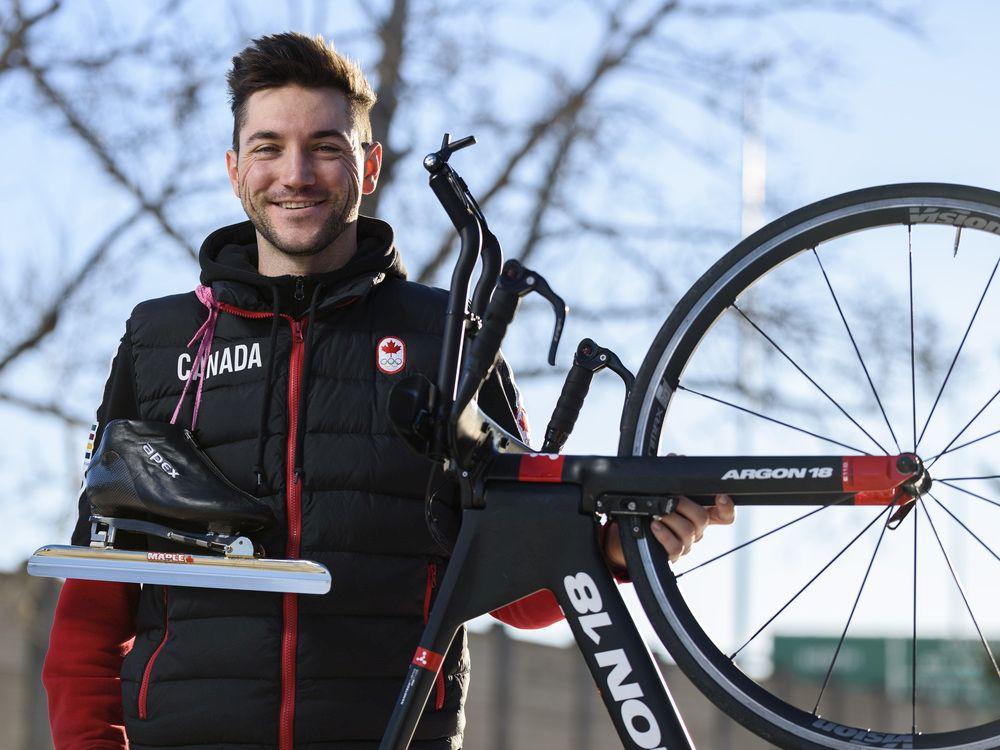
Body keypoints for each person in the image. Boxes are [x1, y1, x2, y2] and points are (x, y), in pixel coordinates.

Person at [41, 32, 734, 750]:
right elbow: (95, 597)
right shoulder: (162, 341)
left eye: (327, 146)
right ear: (234, 168)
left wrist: (616, 551)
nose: (296, 173)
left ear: (368, 165)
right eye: (268, 146)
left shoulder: (449, 336)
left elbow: (517, 578)